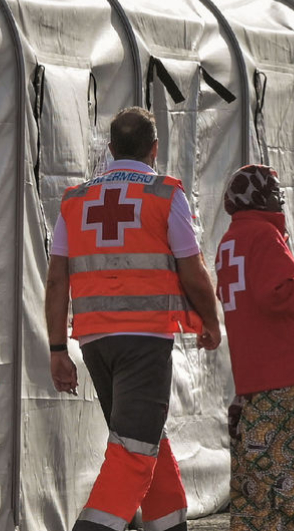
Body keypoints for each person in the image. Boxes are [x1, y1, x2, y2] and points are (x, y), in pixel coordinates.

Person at [44, 107, 222, 531]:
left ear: (110, 149)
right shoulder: (164, 193)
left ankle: (169, 525)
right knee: (134, 452)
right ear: (154, 149)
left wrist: (56, 349)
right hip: (144, 339)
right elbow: (192, 269)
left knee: (142, 439)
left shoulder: (75, 199)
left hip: (94, 342)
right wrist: (210, 321)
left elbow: (56, 281)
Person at [215, 164, 294, 531]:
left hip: (252, 377)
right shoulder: (264, 236)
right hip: (288, 373)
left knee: (258, 480)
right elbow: (276, 294)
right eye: (275, 191)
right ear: (259, 198)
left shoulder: (229, 242)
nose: (280, 198)